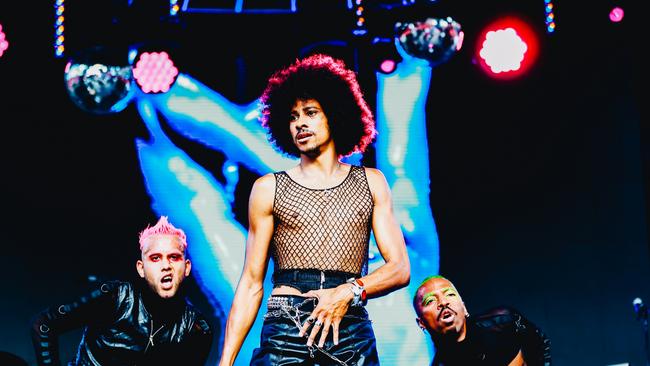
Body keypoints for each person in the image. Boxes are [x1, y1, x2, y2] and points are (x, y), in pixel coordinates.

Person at [218, 53, 411, 366]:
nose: (299, 124)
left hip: (348, 326)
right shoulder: (268, 188)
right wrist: (225, 361)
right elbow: (252, 283)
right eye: (292, 116)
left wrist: (349, 292)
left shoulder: (372, 182)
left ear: (333, 116)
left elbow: (400, 269)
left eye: (310, 112)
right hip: (285, 327)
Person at [31, 216, 213, 366]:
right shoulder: (116, 297)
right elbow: (44, 324)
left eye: (174, 257)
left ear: (187, 267)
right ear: (141, 268)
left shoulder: (195, 328)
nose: (166, 266)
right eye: (155, 258)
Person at [413, 275, 552, 366]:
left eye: (449, 294)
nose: (443, 302)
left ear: (464, 308)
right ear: (422, 323)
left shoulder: (503, 322)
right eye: (430, 300)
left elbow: (541, 342)